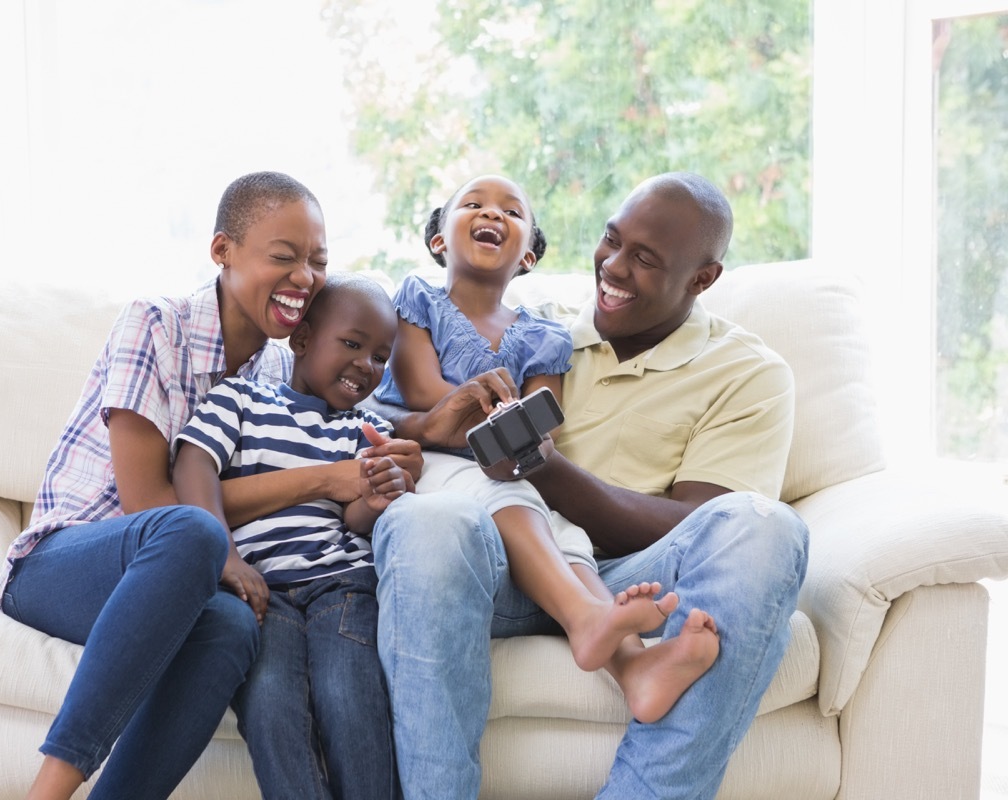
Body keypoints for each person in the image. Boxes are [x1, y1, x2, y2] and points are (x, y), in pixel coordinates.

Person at [370, 172, 810, 799]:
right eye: (611, 241)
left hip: (637, 581)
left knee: (768, 529)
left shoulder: (748, 373)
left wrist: (541, 465)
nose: (614, 267)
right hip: (495, 573)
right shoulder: (543, 333)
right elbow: (380, 397)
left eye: (645, 259)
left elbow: (701, 522)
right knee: (426, 522)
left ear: (703, 278)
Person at [0, 172, 415, 800]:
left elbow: (342, 433)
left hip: (189, 574)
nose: (304, 276)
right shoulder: (155, 325)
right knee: (192, 533)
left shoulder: (279, 371)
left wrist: (415, 444)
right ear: (223, 251)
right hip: (70, 563)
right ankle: (47, 792)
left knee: (232, 625)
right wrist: (317, 484)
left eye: (317, 262)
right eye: (284, 256)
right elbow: (156, 507)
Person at [373, 173, 680, 677]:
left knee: (567, 532)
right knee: (513, 503)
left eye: (513, 212)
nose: (493, 213)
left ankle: (632, 665)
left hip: (503, 469)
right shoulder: (417, 302)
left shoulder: (544, 335)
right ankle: (584, 617)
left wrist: (520, 438)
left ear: (528, 259)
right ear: (437, 240)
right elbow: (420, 390)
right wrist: (481, 412)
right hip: (430, 459)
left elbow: (544, 422)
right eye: (473, 204)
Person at [172, 274, 414, 800]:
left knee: (348, 696)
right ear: (301, 339)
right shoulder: (239, 398)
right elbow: (193, 469)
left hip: (343, 586)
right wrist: (226, 558)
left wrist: (377, 498)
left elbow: (355, 519)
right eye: (351, 344)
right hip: (260, 591)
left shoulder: (367, 429)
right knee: (271, 705)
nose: (365, 366)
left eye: (379, 356)